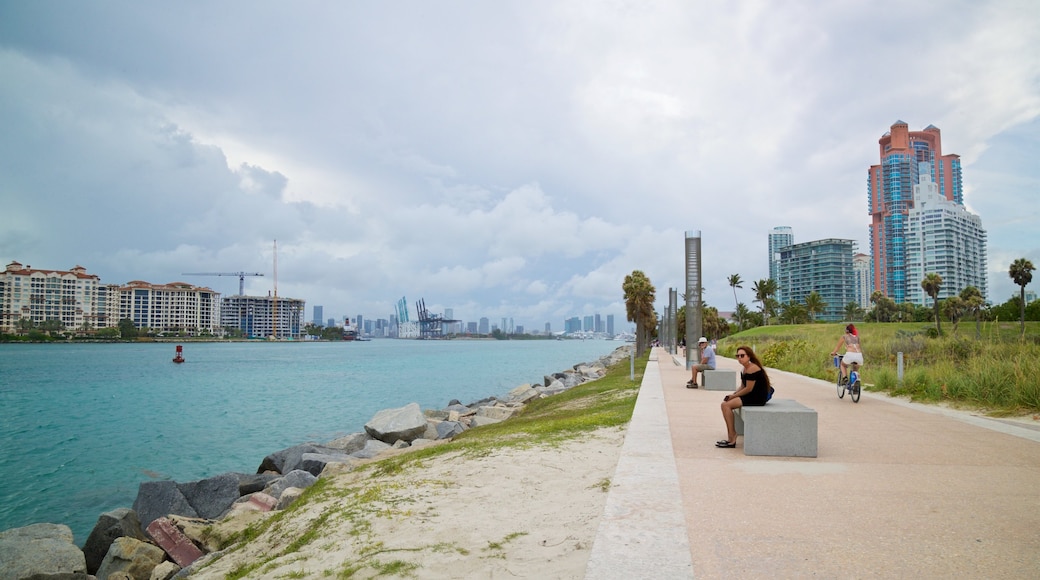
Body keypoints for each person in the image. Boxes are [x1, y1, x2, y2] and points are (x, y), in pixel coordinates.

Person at [716, 345, 773, 448]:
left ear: (749, 356)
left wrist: (734, 397)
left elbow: (748, 389)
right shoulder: (745, 368)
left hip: (757, 397)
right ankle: (731, 435)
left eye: (742, 355)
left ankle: (732, 436)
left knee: (726, 406)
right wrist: (732, 395)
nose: (739, 358)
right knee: (724, 404)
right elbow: (743, 385)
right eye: (738, 356)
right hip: (750, 395)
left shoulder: (752, 368)